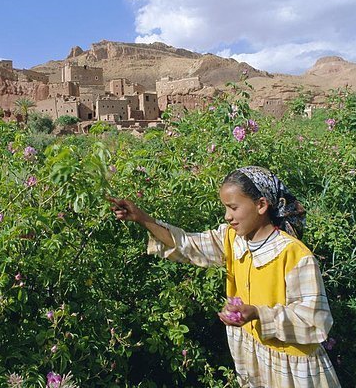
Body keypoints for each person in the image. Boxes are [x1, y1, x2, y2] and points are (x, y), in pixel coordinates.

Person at [110, 166, 340, 387]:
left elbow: (314, 319)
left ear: (261, 205)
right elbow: (188, 245)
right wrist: (142, 218)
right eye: (226, 208)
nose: (227, 216)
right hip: (254, 356)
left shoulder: (293, 254)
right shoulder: (233, 240)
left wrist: (259, 313)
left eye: (233, 207)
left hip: (290, 367)